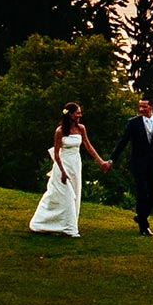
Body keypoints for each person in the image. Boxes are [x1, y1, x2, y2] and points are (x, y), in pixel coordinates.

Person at [28, 102, 111, 238]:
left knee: (75, 195)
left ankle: (66, 224)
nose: (80, 115)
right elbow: (56, 154)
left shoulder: (81, 128)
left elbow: (88, 146)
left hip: (75, 165)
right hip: (63, 165)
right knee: (66, 195)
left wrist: (100, 161)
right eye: (77, 113)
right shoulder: (60, 131)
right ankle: (68, 228)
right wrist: (62, 171)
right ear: (70, 114)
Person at [107, 96, 153, 237]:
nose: (141, 109)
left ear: (151, 107)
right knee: (142, 193)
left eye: (144, 107)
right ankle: (143, 227)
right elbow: (122, 142)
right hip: (138, 162)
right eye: (140, 106)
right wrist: (112, 160)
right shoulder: (133, 123)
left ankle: (141, 216)